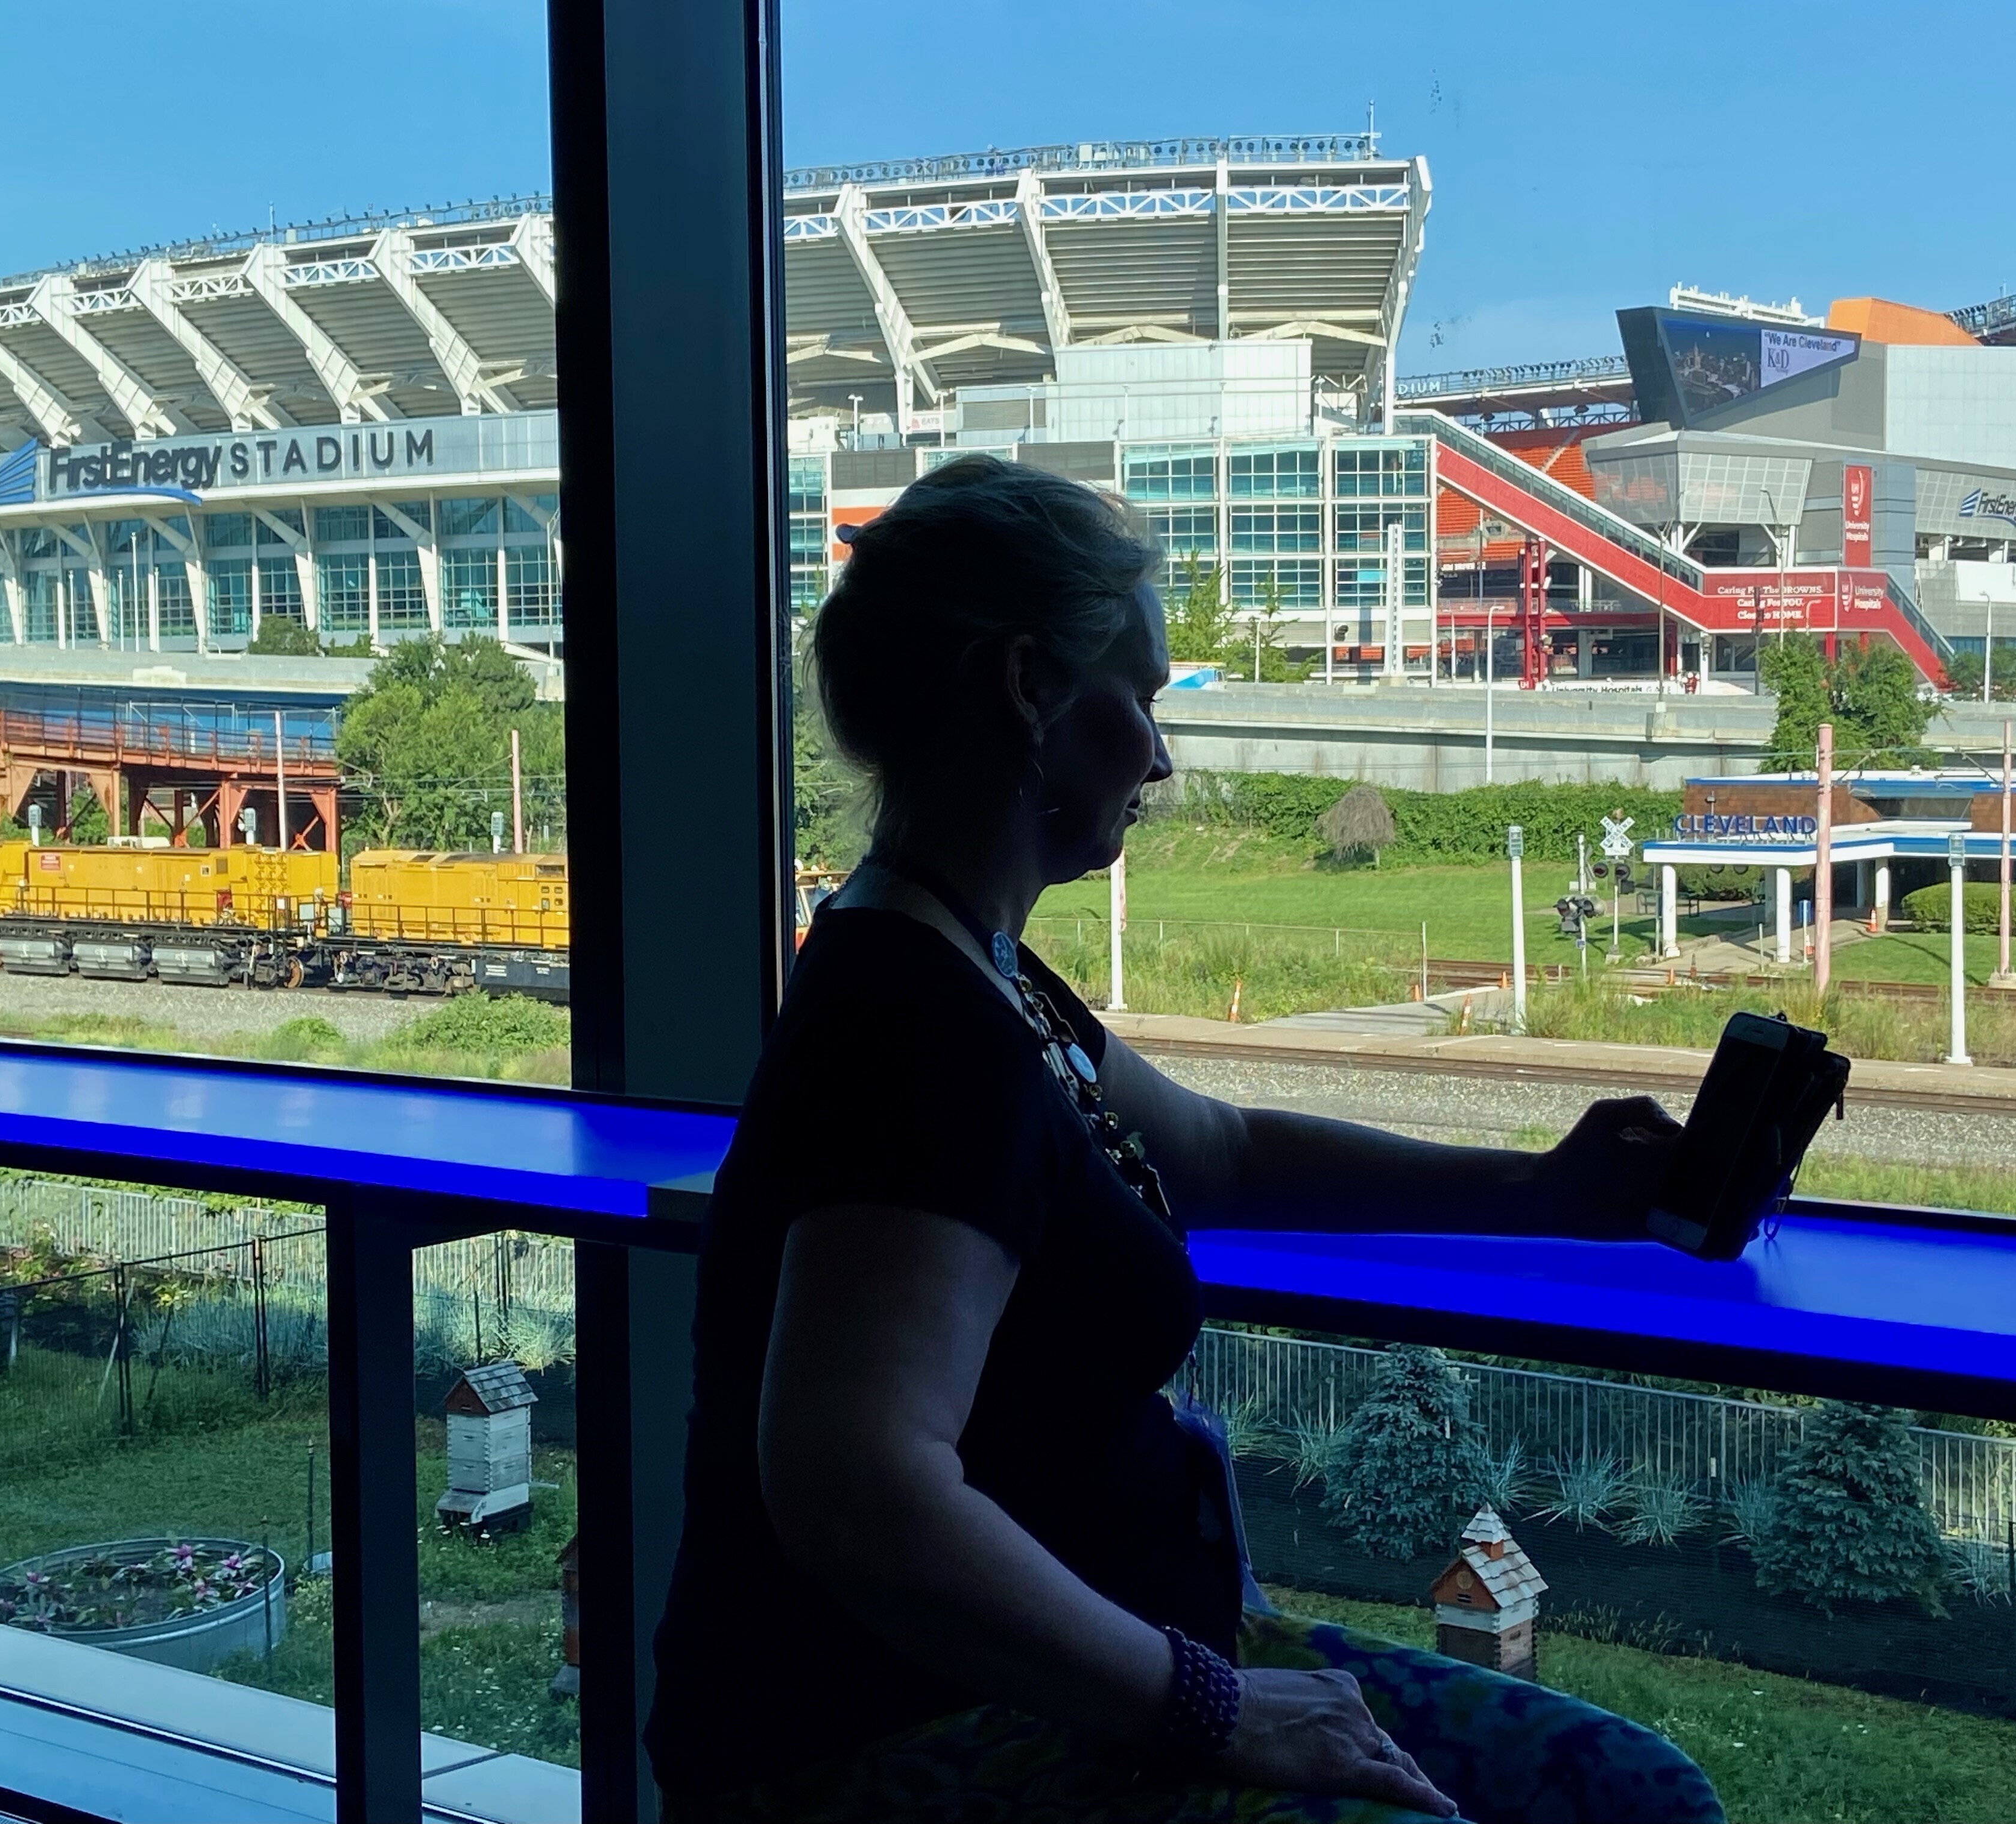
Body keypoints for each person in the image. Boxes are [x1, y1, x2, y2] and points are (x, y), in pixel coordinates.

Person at [647, 455, 1724, 1824]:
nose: (1158, 754)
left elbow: (1221, 1152)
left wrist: (1558, 1192)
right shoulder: (919, 1034)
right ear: (1031, 690)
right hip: (919, 1737)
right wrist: (1214, 1706)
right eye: (1140, 700)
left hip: (1100, 1675)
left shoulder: (970, 970)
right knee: (1636, 1807)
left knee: (1641, 1798)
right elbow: (857, 1488)